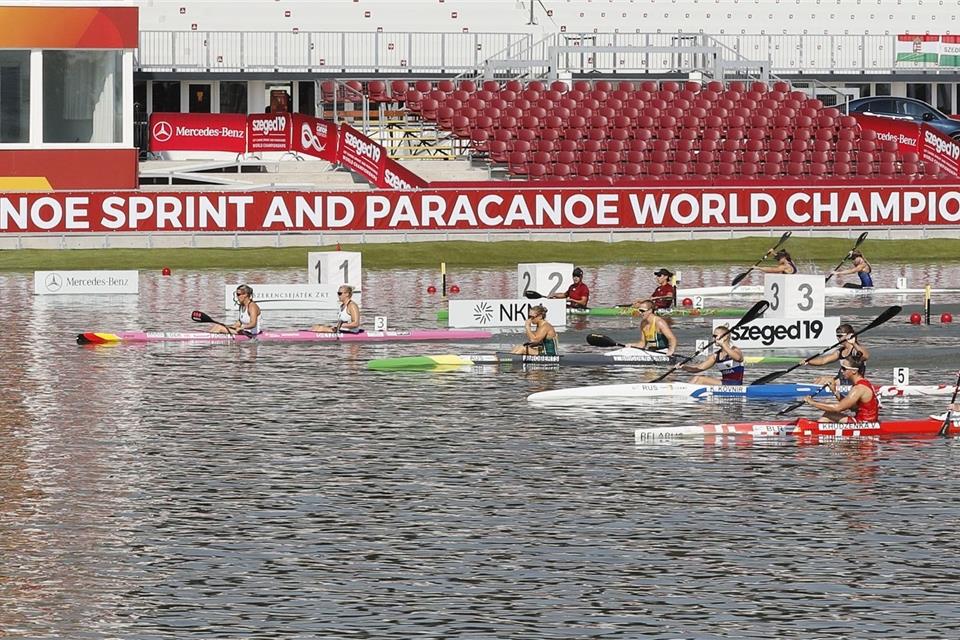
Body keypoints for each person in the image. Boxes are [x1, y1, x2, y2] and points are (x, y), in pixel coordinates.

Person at [804, 356, 879, 423]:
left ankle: (813, 431)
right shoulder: (862, 383)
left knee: (828, 415)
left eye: (844, 369)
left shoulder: (859, 388)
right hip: (866, 421)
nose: (841, 371)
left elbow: (837, 408)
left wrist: (812, 402)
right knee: (829, 415)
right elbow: (853, 408)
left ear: (854, 371)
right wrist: (835, 391)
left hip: (863, 423)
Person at [803, 323, 870, 385]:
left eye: (840, 336)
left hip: (852, 383)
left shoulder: (856, 350)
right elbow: (823, 361)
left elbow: (865, 356)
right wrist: (808, 361)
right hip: (841, 380)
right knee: (820, 379)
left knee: (824, 381)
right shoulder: (840, 351)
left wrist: (853, 343)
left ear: (849, 335)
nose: (838, 338)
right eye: (837, 336)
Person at [679, 325, 744, 385]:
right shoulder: (715, 356)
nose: (713, 339)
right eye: (713, 336)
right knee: (697, 378)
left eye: (715, 336)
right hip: (725, 383)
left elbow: (738, 358)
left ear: (725, 337)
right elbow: (698, 368)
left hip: (736, 384)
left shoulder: (735, 350)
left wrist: (723, 344)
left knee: (699, 379)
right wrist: (683, 367)